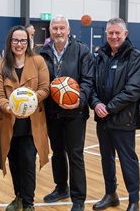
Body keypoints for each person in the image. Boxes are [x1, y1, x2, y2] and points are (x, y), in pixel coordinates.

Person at [89, 17, 140, 211]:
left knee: (127, 160)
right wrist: (96, 103)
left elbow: (133, 90)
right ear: (106, 34)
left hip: (123, 119)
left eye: (117, 33)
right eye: (110, 33)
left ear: (125, 34)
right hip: (102, 119)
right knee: (106, 159)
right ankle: (111, 194)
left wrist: (109, 108)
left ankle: (134, 200)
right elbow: (92, 84)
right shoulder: (100, 55)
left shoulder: (136, 56)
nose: (113, 36)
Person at [39, 15, 94, 211]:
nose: (58, 32)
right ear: (50, 30)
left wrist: (79, 100)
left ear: (68, 30)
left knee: (75, 155)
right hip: (52, 113)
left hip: (75, 113)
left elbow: (88, 80)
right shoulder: (43, 52)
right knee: (57, 153)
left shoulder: (82, 50)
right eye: (55, 28)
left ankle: (78, 200)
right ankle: (62, 187)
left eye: (62, 28)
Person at [0, 25, 50, 211]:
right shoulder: (1, 66)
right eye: (15, 40)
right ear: (10, 42)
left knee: (27, 163)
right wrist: (9, 107)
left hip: (31, 124)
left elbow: (45, 88)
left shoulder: (38, 61)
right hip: (9, 122)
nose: (19, 44)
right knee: (14, 163)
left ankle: (28, 203)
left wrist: (29, 101)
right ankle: (18, 197)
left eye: (23, 40)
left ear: (28, 42)